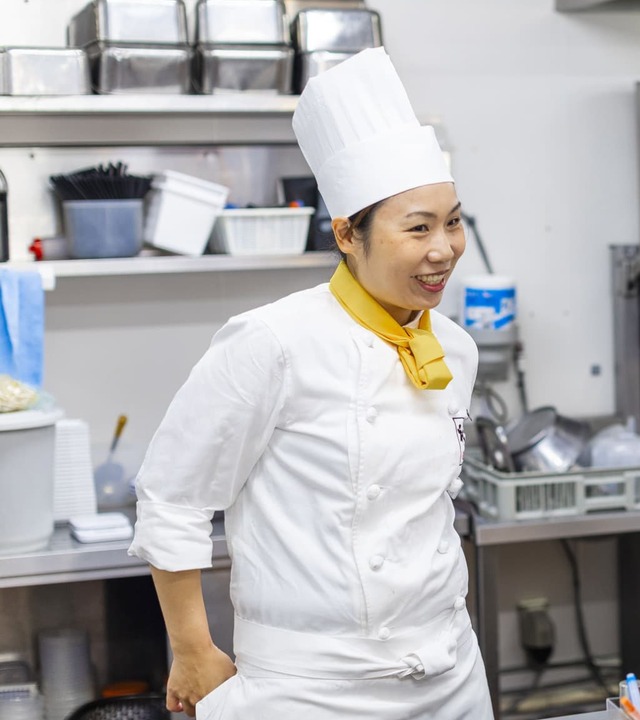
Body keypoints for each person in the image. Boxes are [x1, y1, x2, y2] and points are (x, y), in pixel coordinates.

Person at [128, 48, 493, 719]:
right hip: (311, 688)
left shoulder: (456, 349)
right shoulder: (273, 341)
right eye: (417, 228)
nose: (443, 248)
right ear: (348, 234)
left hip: (449, 673)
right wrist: (192, 648)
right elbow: (173, 498)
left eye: (452, 221)